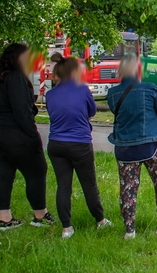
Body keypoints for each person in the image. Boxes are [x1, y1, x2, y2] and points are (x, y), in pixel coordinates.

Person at [0, 43, 54, 230]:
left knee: (3, 175)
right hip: (16, 134)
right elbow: (21, 111)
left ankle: (5, 220)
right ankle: (40, 215)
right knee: (37, 172)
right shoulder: (16, 78)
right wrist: (32, 135)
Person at [108, 55, 157, 239]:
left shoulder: (113, 94)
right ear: (139, 70)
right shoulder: (150, 89)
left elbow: (118, 111)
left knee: (128, 189)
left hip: (124, 148)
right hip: (152, 145)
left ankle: (130, 231)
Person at [45, 56, 113, 238]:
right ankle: (100, 220)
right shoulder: (82, 90)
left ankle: (66, 228)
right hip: (80, 143)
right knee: (89, 184)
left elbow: (54, 114)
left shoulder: (50, 95)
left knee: (63, 186)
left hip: (56, 144)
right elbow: (91, 111)